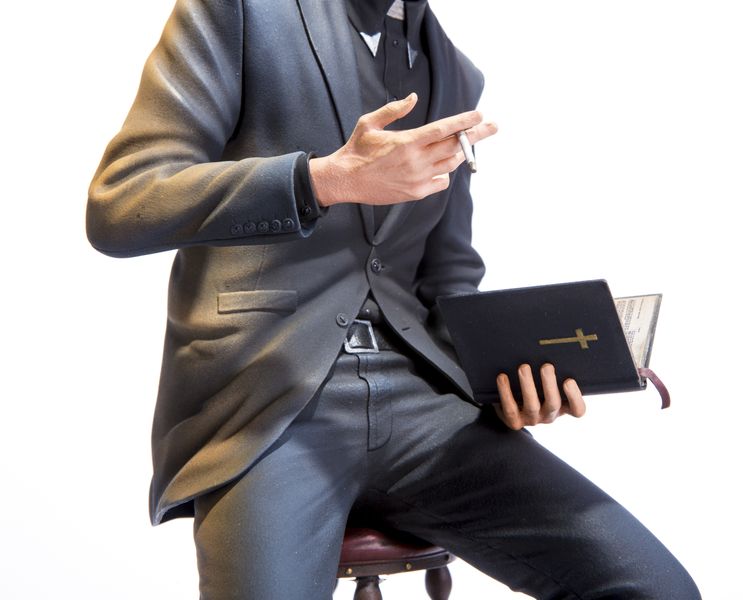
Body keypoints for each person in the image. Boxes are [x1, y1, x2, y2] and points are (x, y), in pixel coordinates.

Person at [87, 0, 700, 598]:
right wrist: (324, 180)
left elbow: (448, 274)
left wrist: (506, 381)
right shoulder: (240, 10)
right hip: (269, 402)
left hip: (427, 409)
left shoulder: (456, 73)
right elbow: (120, 204)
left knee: (657, 589)